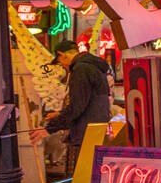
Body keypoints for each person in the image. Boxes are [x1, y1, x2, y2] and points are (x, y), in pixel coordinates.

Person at [30, 39, 111, 175]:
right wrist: (60, 113)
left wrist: (50, 128)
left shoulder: (80, 70)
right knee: (93, 179)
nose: (62, 66)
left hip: (85, 135)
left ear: (63, 55)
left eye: (60, 62)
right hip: (95, 131)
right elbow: (87, 102)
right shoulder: (94, 68)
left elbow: (76, 107)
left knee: (83, 180)